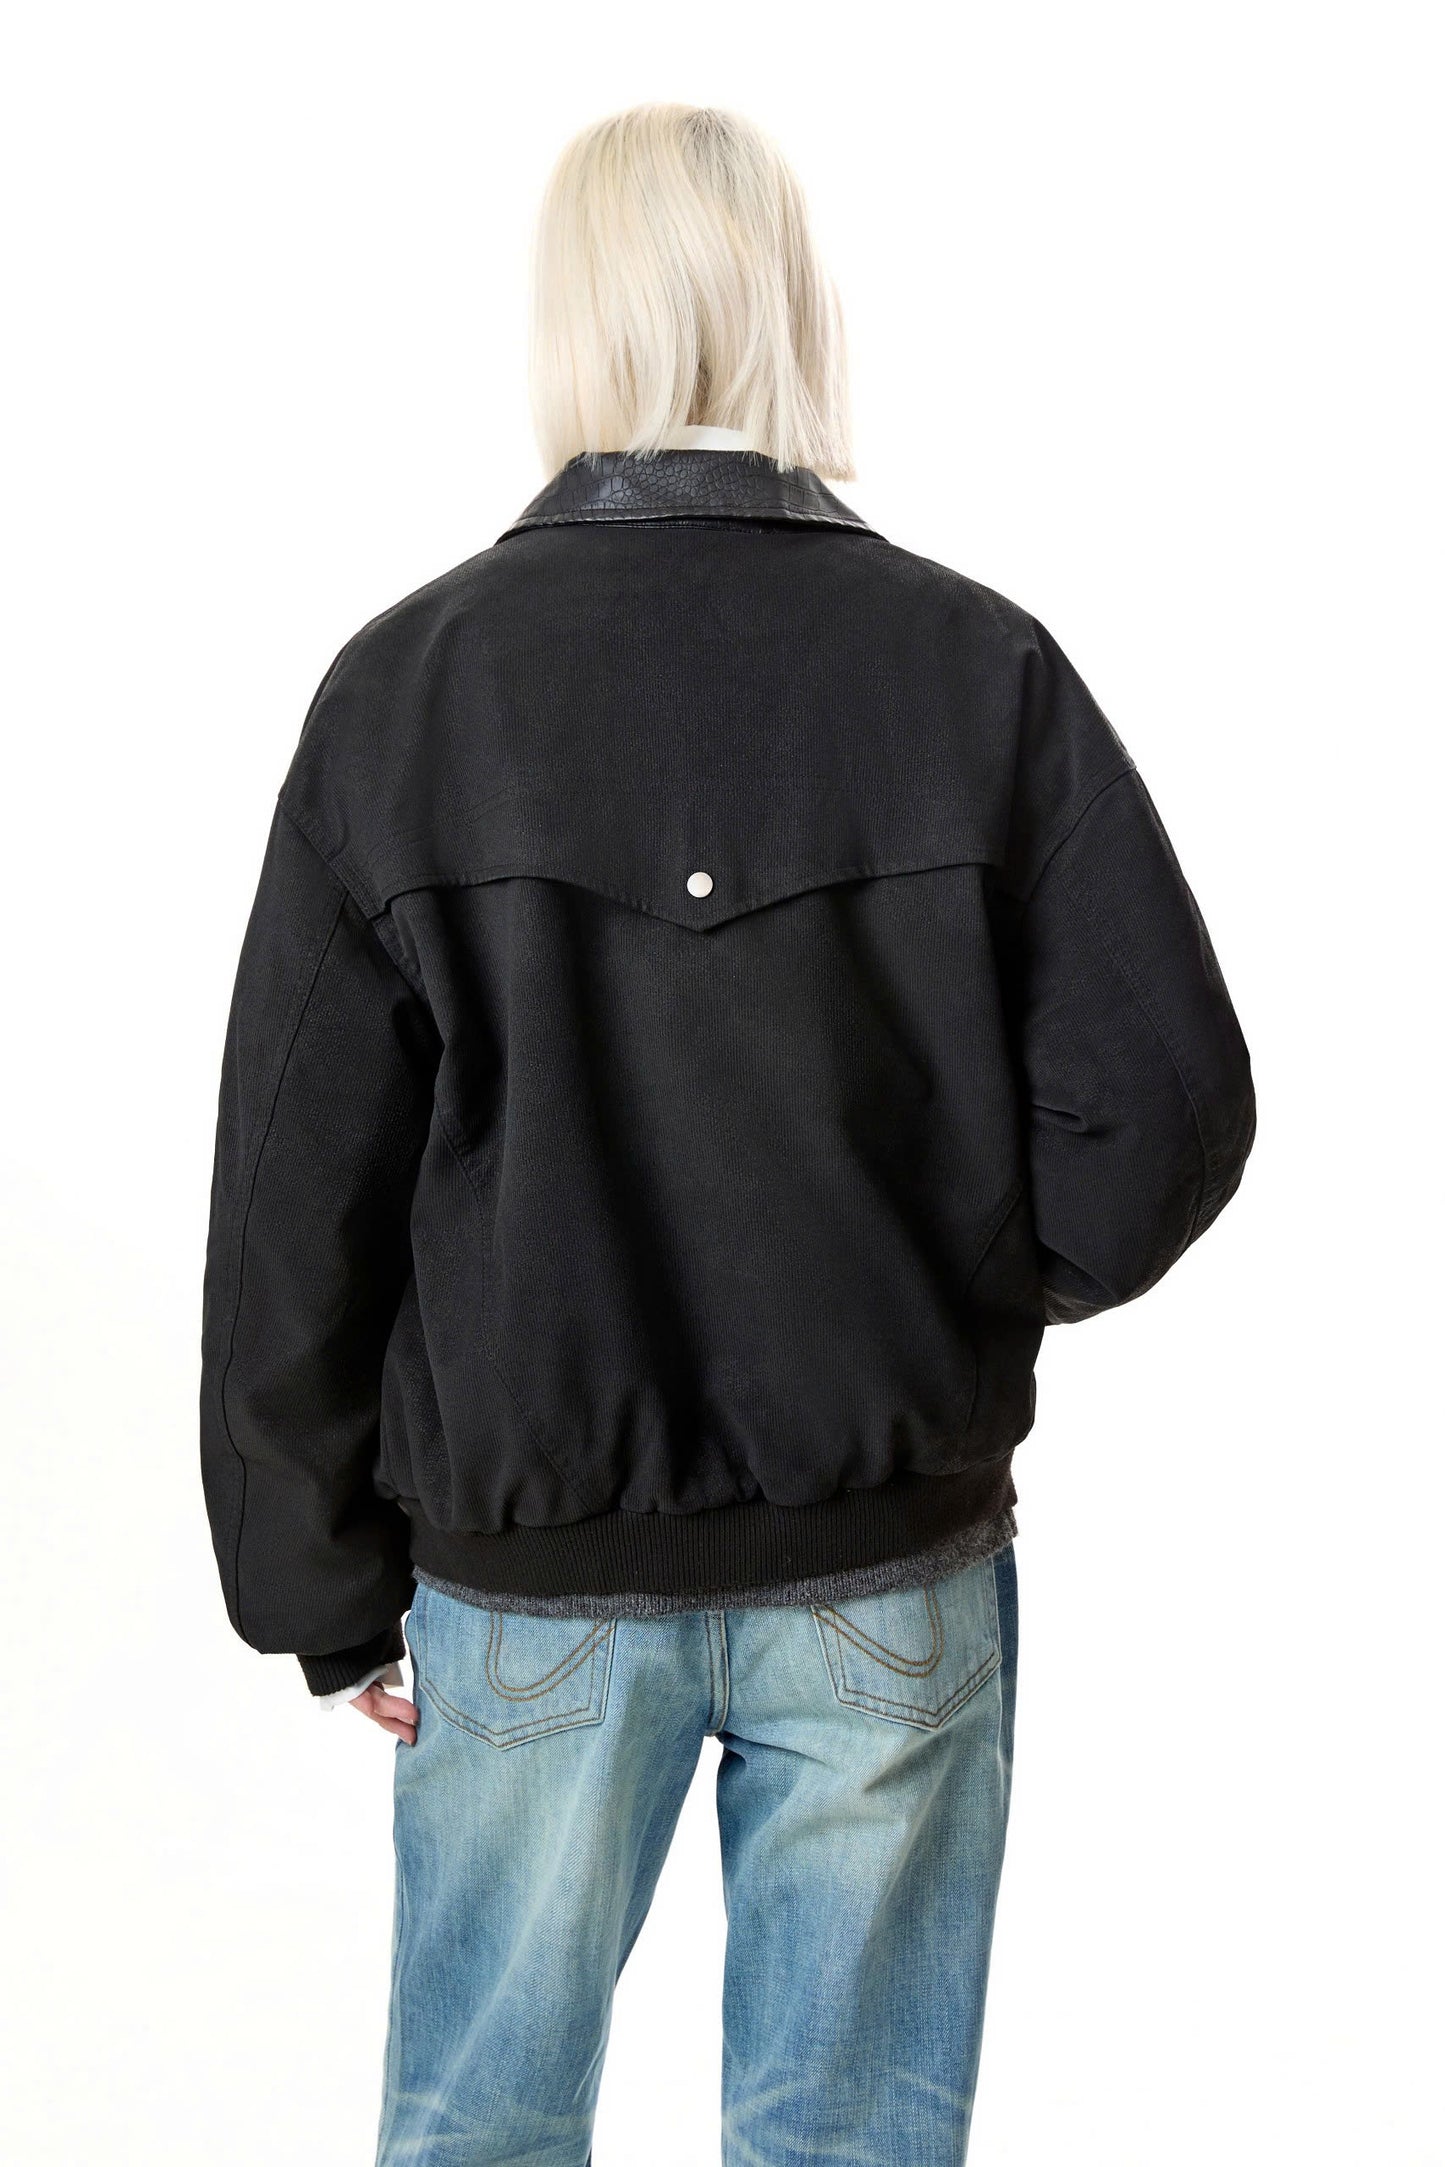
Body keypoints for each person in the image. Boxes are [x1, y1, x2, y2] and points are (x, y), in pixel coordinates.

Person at [199, 102, 1255, 2167]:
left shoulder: (407, 692)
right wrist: (954, 1286)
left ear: (569, 320)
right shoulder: (975, 668)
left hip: (525, 1591)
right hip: (890, 1564)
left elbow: (289, 1202)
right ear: (790, 303)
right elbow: (1168, 1106)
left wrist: (317, 1587)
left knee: (479, 2138)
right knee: (850, 2145)